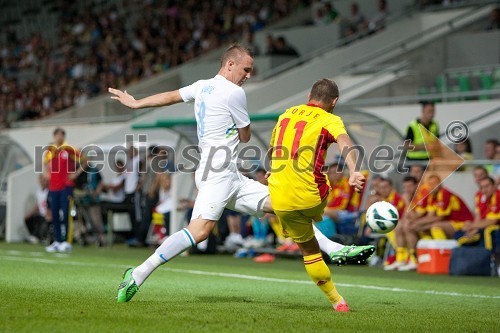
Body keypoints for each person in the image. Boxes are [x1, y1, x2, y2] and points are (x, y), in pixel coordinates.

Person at [109, 44, 373, 303]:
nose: (248, 75)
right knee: (199, 231)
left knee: (284, 206)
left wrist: (136, 103)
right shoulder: (233, 93)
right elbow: (245, 136)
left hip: (226, 173)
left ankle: (335, 248)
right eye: (246, 69)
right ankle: (138, 273)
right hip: (217, 174)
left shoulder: (202, 86)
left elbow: (170, 96)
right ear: (230, 64)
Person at [267, 78, 367, 312]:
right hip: (311, 197)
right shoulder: (329, 119)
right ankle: (331, 244)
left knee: (309, 251)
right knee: (326, 183)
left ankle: (337, 301)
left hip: (278, 197)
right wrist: (353, 172)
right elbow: (344, 142)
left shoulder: (286, 114)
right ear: (334, 101)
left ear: (308, 98)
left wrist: (273, 168)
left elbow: (273, 149)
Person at [399, 174, 473, 271]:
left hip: (463, 223)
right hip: (447, 223)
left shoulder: (445, 194)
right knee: (410, 227)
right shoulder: (432, 196)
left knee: (435, 227)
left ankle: (445, 258)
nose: (432, 187)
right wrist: (417, 224)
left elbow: (440, 217)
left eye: (434, 184)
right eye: (430, 185)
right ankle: (412, 259)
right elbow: (430, 216)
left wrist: (417, 222)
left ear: (440, 184)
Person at [43, 127, 80, 253]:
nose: (59, 137)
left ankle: (67, 242)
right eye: (57, 135)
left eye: (61, 135)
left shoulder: (69, 149)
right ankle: (58, 241)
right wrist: (46, 173)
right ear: (54, 136)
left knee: (66, 214)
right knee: (54, 214)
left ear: (63, 136)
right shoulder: (50, 150)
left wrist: (75, 173)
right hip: (53, 187)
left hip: (66, 186)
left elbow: (85, 160)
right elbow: (45, 164)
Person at [459, 176, 499, 246]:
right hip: (484, 226)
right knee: (460, 234)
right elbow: (478, 217)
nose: (484, 190)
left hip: (494, 228)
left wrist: (473, 226)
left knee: (487, 232)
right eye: (482, 187)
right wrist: (472, 228)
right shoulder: (480, 196)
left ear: (494, 186)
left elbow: (492, 221)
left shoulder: (498, 196)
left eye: (487, 186)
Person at [24, 175, 49, 244]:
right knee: (28, 219)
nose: (42, 182)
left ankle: (38, 236)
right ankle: (34, 236)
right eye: (41, 180)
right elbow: (38, 205)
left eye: (44, 180)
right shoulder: (38, 192)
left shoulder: (49, 191)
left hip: (47, 214)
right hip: (40, 214)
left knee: (41, 222)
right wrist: (31, 213)